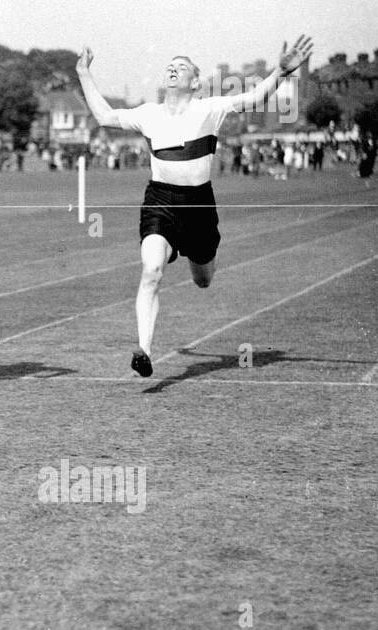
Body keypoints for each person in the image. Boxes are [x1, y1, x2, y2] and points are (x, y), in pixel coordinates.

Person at [76, 36, 313, 377]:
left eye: (182, 67)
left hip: (199, 206)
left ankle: (195, 260)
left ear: (195, 82)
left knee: (203, 279)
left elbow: (255, 98)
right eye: (170, 66)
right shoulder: (148, 114)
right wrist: (84, 73)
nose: (173, 69)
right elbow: (104, 116)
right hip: (160, 202)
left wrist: (280, 71)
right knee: (151, 271)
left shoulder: (210, 108)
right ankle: (144, 348)